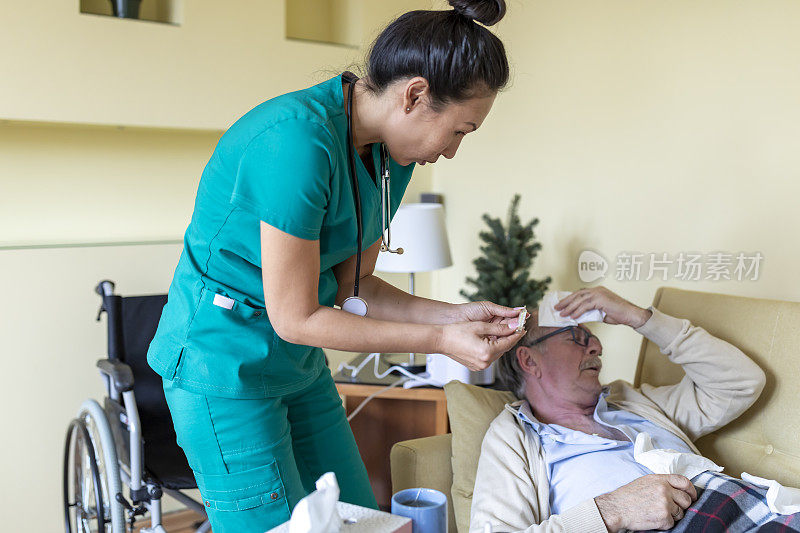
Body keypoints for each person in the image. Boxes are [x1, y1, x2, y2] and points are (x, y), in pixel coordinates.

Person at [146, 1, 525, 531]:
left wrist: (454, 318)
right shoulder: (295, 142)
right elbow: (297, 316)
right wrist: (438, 342)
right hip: (223, 367)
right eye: (459, 130)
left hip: (295, 364)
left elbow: (356, 285)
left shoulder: (388, 154)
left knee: (362, 519)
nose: (453, 150)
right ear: (414, 95)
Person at [470, 286, 772, 533]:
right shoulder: (513, 436)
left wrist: (638, 317)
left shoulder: (635, 401)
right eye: (577, 337)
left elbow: (742, 382)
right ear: (529, 361)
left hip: (755, 513)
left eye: (594, 338)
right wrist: (613, 510)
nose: (596, 347)